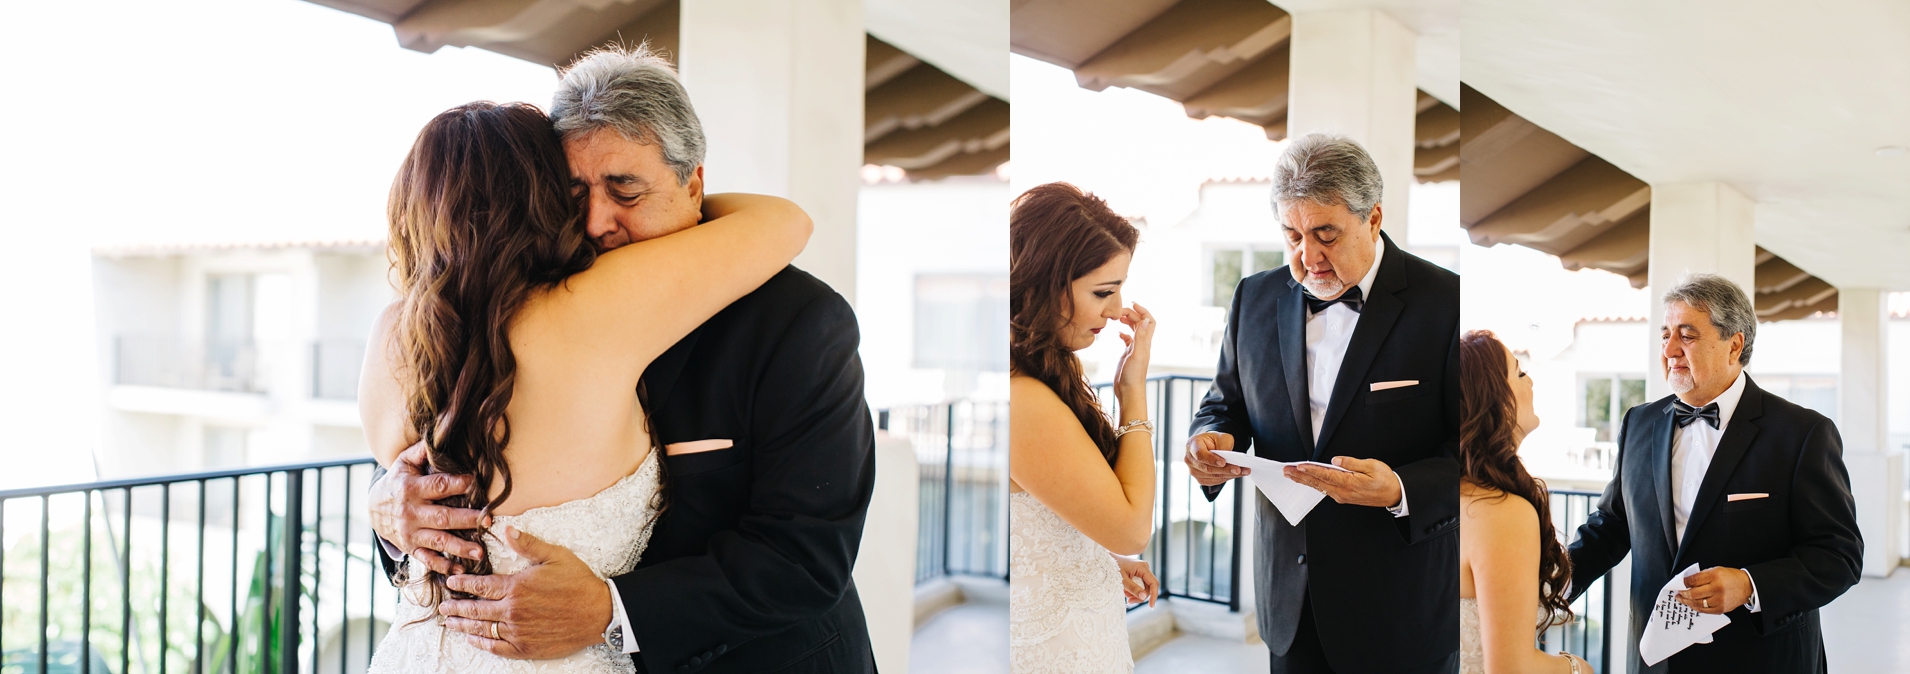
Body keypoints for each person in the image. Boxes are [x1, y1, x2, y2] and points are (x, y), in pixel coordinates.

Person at [366, 46, 878, 674]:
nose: (595, 220)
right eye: (572, 191)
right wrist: (393, 513)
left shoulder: (799, 322)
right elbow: (433, 463)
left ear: (694, 184)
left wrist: (613, 613)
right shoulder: (520, 311)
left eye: (626, 190)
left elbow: (806, 556)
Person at [1183, 133, 1461, 673]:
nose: (1307, 257)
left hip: (1400, 608)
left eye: (1326, 234)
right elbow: (1225, 404)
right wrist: (1209, 440)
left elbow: (1474, 450)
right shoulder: (1253, 298)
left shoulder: (1447, 303)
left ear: (1374, 218)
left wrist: (1400, 489)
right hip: (1289, 602)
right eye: (1291, 235)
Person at [1566, 273, 1862, 673]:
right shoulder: (1639, 422)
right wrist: (1551, 587)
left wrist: (1749, 584)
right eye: (1665, 333)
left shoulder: (1802, 433)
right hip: (1655, 660)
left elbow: (1839, 555)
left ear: (1734, 345)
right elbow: (1611, 526)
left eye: (1687, 335)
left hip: (1760, 659)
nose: (1670, 349)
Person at [1007, 182, 1162, 673]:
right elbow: (1133, 527)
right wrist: (1132, 391)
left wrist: (1096, 561)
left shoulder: (1041, 372)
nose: (1117, 310)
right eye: (1103, 292)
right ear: (1046, 283)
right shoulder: (1023, 398)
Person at [1457, 330, 1591, 673]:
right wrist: (1578, 667)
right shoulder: (1501, 513)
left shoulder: (1445, 497)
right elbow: (1511, 669)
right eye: (1518, 372)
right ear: (1494, 399)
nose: (1529, 380)